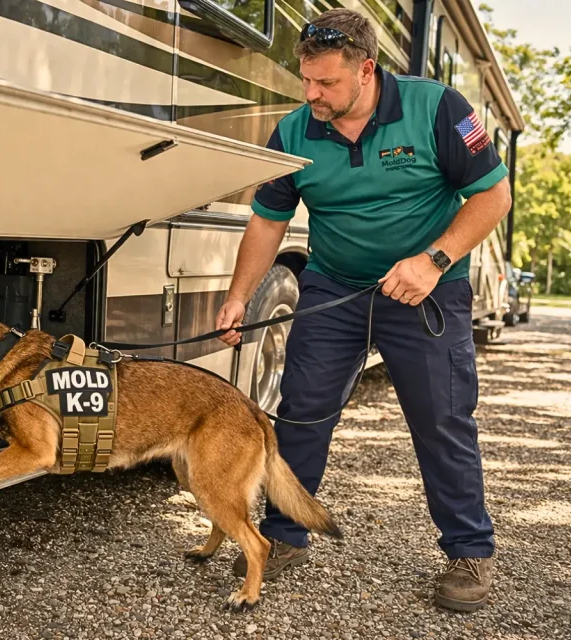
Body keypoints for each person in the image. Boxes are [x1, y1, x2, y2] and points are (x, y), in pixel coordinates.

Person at [215, 8, 511, 613]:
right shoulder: (296, 130)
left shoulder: (438, 109)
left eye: (325, 83)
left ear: (367, 70)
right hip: (335, 287)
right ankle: (284, 535)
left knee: (442, 419)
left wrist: (433, 259)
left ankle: (468, 550)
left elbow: (493, 195)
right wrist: (240, 295)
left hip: (426, 288)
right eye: (306, 80)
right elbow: (269, 220)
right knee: (300, 414)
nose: (312, 94)